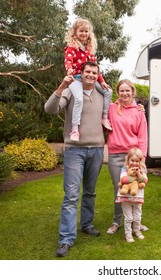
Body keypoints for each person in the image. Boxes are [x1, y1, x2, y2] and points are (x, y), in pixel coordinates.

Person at [44, 61, 105, 258]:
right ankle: (66, 239)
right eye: (88, 72)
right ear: (81, 73)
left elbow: (119, 110)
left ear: (97, 75)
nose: (91, 75)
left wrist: (138, 108)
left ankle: (87, 224)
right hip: (74, 151)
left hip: (96, 150)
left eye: (94, 72)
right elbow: (50, 109)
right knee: (71, 196)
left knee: (90, 191)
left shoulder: (101, 93)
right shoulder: (71, 91)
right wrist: (62, 86)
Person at [106, 79, 149, 235]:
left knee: (136, 188)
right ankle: (117, 222)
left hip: (134, 157)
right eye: (121, 91)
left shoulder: (139, 111)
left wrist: (142, 157)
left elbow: (143, 136)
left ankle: (136, 222)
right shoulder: (110, 108)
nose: (125, 93)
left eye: (127, 90)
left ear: (132, 92)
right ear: (118, 92)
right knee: (120, 188)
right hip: (115, 155)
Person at [64, 17, 112, 142]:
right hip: (76, 78)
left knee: (108, 91)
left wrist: (101, 81)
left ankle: (104, 117)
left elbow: (95, 69)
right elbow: (68, 60)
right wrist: (69, 69)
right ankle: (75, 129)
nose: (84, 34)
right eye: (81, 31)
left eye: (86, 31)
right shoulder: (72, 47)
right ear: (75, 32)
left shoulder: (90, 51)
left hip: (91, 79)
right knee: (79, 99)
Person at [116, 147, 148, 242]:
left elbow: (144, 181)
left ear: (140, 161)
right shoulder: (124, 169)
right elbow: (124, 179)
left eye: (137, 161)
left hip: (137, 196)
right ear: (128, 159)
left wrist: (138, 174)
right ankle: (128, 234)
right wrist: (133, 178)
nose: (134, 163)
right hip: (126, 196)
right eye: (132, 160)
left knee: (137, 215)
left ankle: (137, 230)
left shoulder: (142, 169)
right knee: (128, 217)